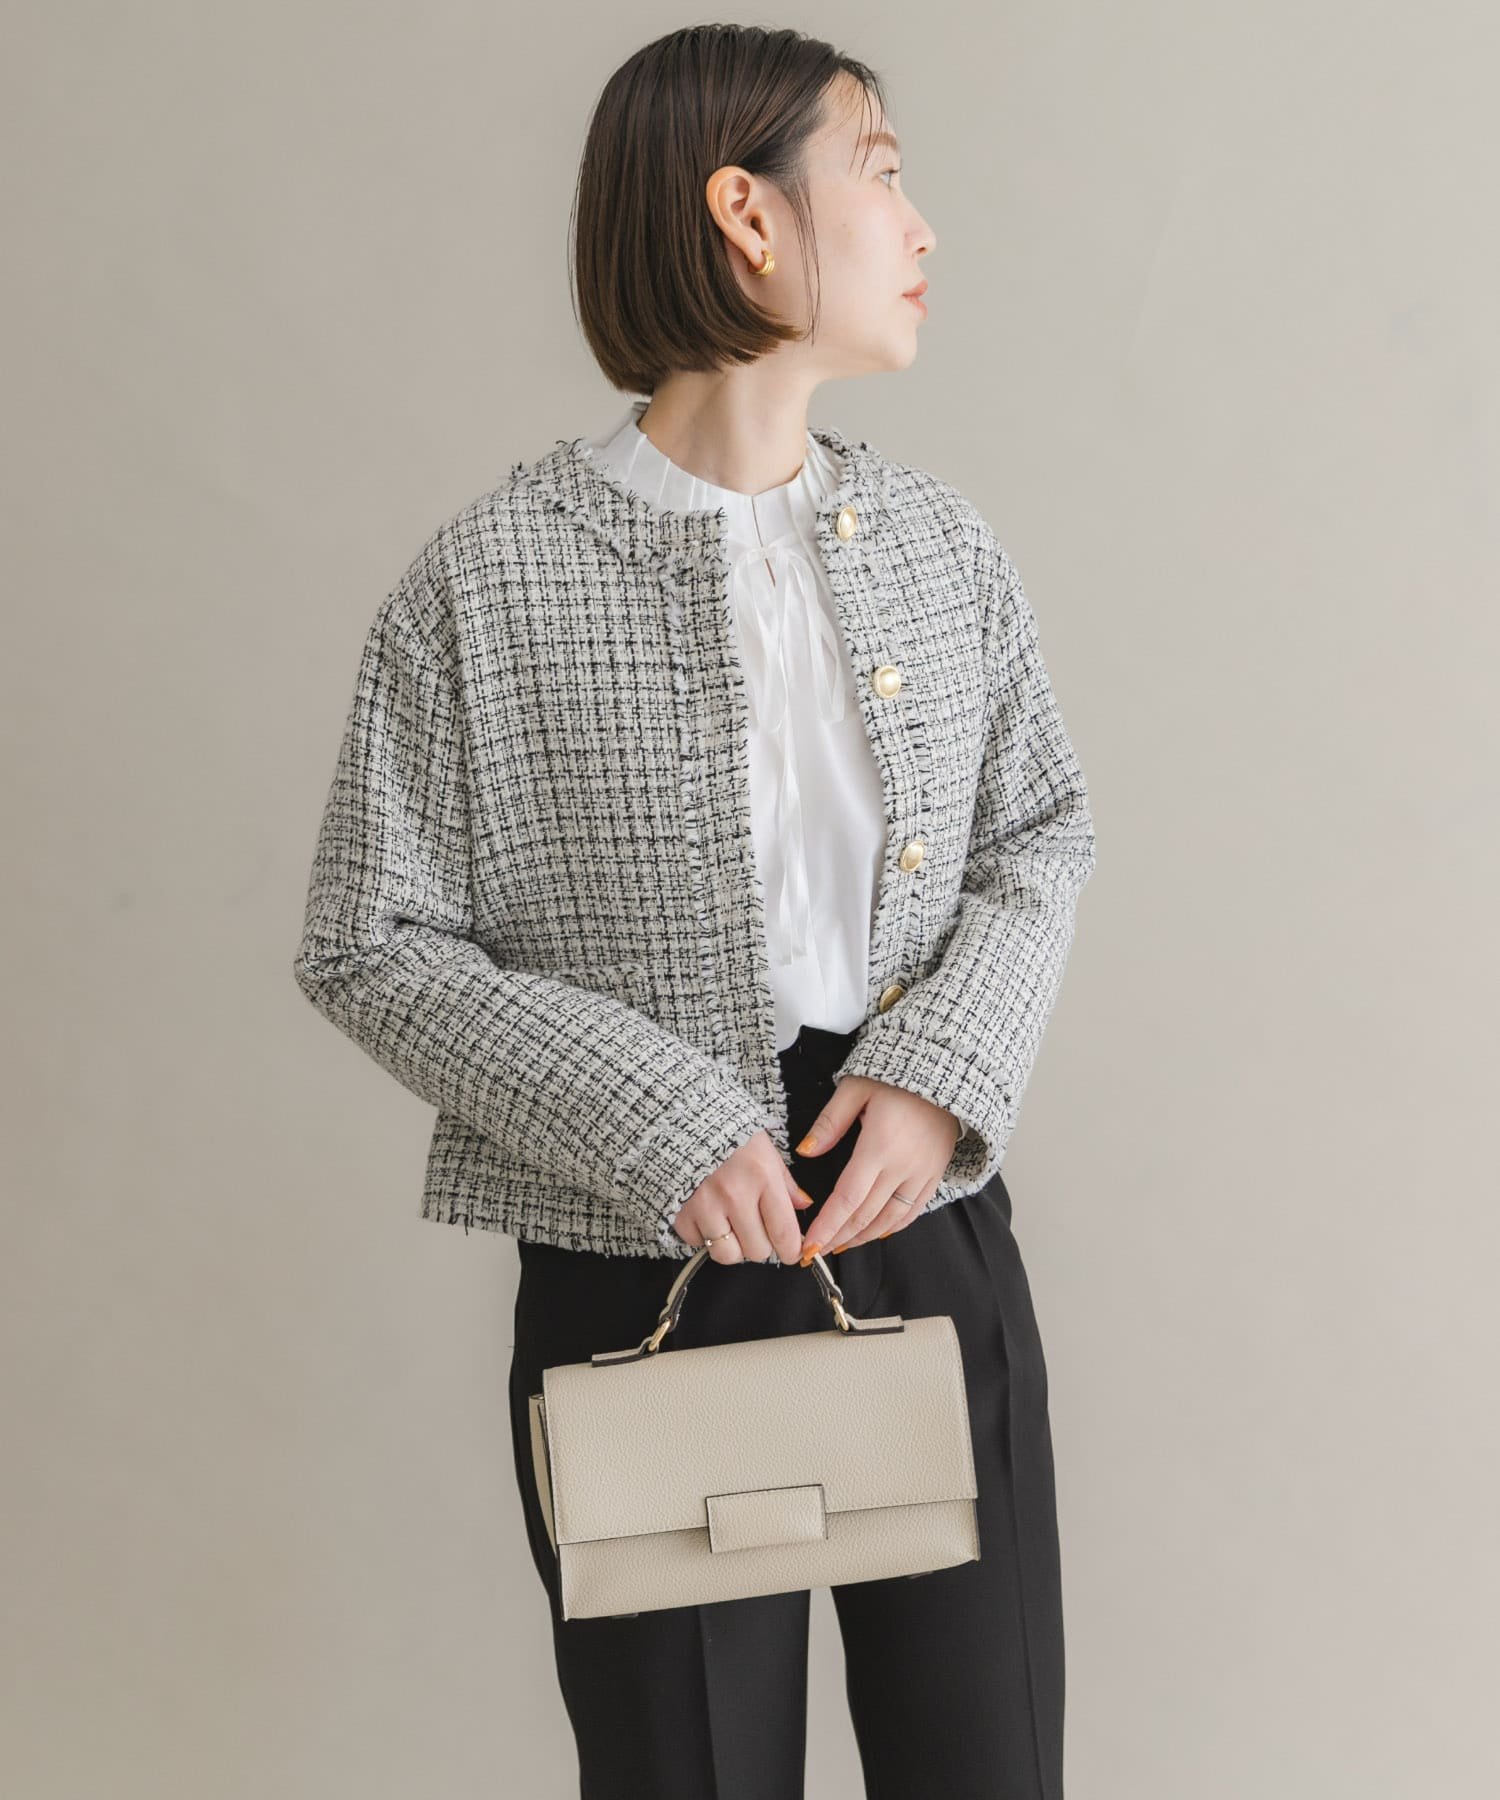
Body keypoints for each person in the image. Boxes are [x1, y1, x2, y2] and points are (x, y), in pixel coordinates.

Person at [293, 24, 1097, 1800]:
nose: (922, 226)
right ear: (747, 214)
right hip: (640, 1247)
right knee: (686, 1774)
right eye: (881, 174)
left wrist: (941, 1080)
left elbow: (1041, 832)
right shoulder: (484, 584)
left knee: (987, 1763)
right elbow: (368, 934)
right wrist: (652, 1116)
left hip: (919, 1213)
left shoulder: (942, 548)